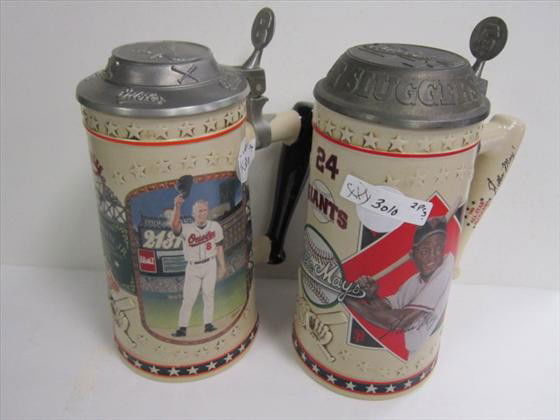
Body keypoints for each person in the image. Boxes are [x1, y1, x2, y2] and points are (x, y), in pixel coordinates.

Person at [345, 217, 454, 353]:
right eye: (425, 251)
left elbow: (398, 321)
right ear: (412, 255)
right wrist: (373, 297)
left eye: (438, 249)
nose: (433, 257)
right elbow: (388, 310)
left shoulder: (446, 266)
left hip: (421, 355)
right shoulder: (414, 281)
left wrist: (348, 300)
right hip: (411, 355)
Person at [170, 197, 226, 337]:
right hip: (193, 267)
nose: (202, 213)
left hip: (210, 264)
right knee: (188, 299)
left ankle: (208, 325)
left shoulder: (215, 226)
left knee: (209, 295)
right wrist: (177, 206)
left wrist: (222, 266)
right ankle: (182, 328)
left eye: (204, 210)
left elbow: (219, 246)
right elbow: (175, 225)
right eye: (199, 211)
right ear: (193, 213)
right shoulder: (187, 228)